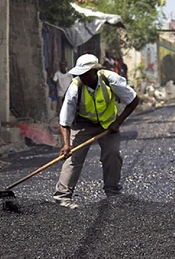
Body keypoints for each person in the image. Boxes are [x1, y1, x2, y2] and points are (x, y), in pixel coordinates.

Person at [53, 54, 140, 209]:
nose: (83, 78)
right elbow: (64, 120)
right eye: (80, 74)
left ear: (95, 72)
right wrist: (66, 145)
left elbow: (133, 100)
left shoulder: (111, 80)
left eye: (86, 74)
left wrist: (118, 122)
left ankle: (112, 193)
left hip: (108, 125)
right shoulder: (75, 88)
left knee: (112, 155)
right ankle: (62, 197)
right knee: (73, 157)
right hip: (82, 125)